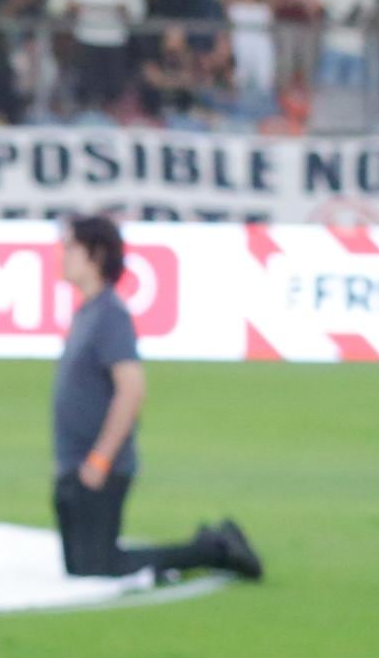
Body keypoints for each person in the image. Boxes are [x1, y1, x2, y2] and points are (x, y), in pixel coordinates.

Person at [51, 213, 262, 582]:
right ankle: (209, 547)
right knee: (82, 566)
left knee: (99, 565)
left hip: (98, 464)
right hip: (73, 462)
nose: (62, 255)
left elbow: (131, 389)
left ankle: (214, 549)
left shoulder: (110, 315)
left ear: (96, 255)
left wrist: (100, 459)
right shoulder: (88, 313)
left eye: (71, 247)